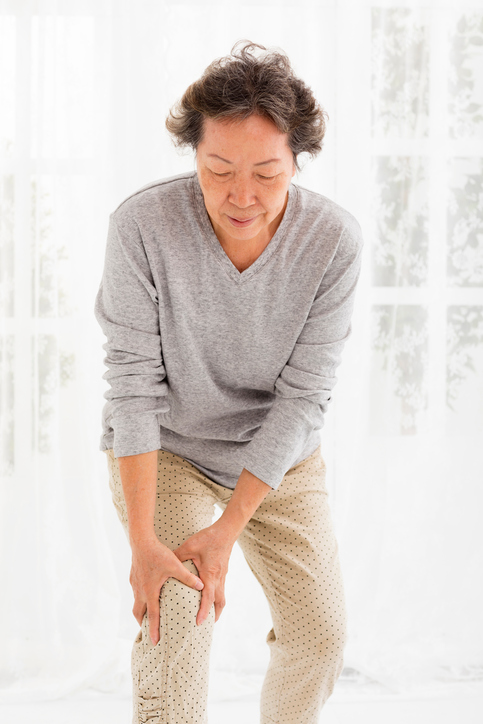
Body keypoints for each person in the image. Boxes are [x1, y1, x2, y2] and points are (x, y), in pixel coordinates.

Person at [95, 39, 363, 724]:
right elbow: (130, 387)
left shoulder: (333, 241)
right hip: (170, 448)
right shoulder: (141, 226)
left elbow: (304, 397)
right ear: (193, 154)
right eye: (217, 170)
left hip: (278, 455)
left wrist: (230, 526)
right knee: (174, 621)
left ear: (297, 161)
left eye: (267, 175)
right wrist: (145, 548)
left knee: (320, 637)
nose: (241, 196)